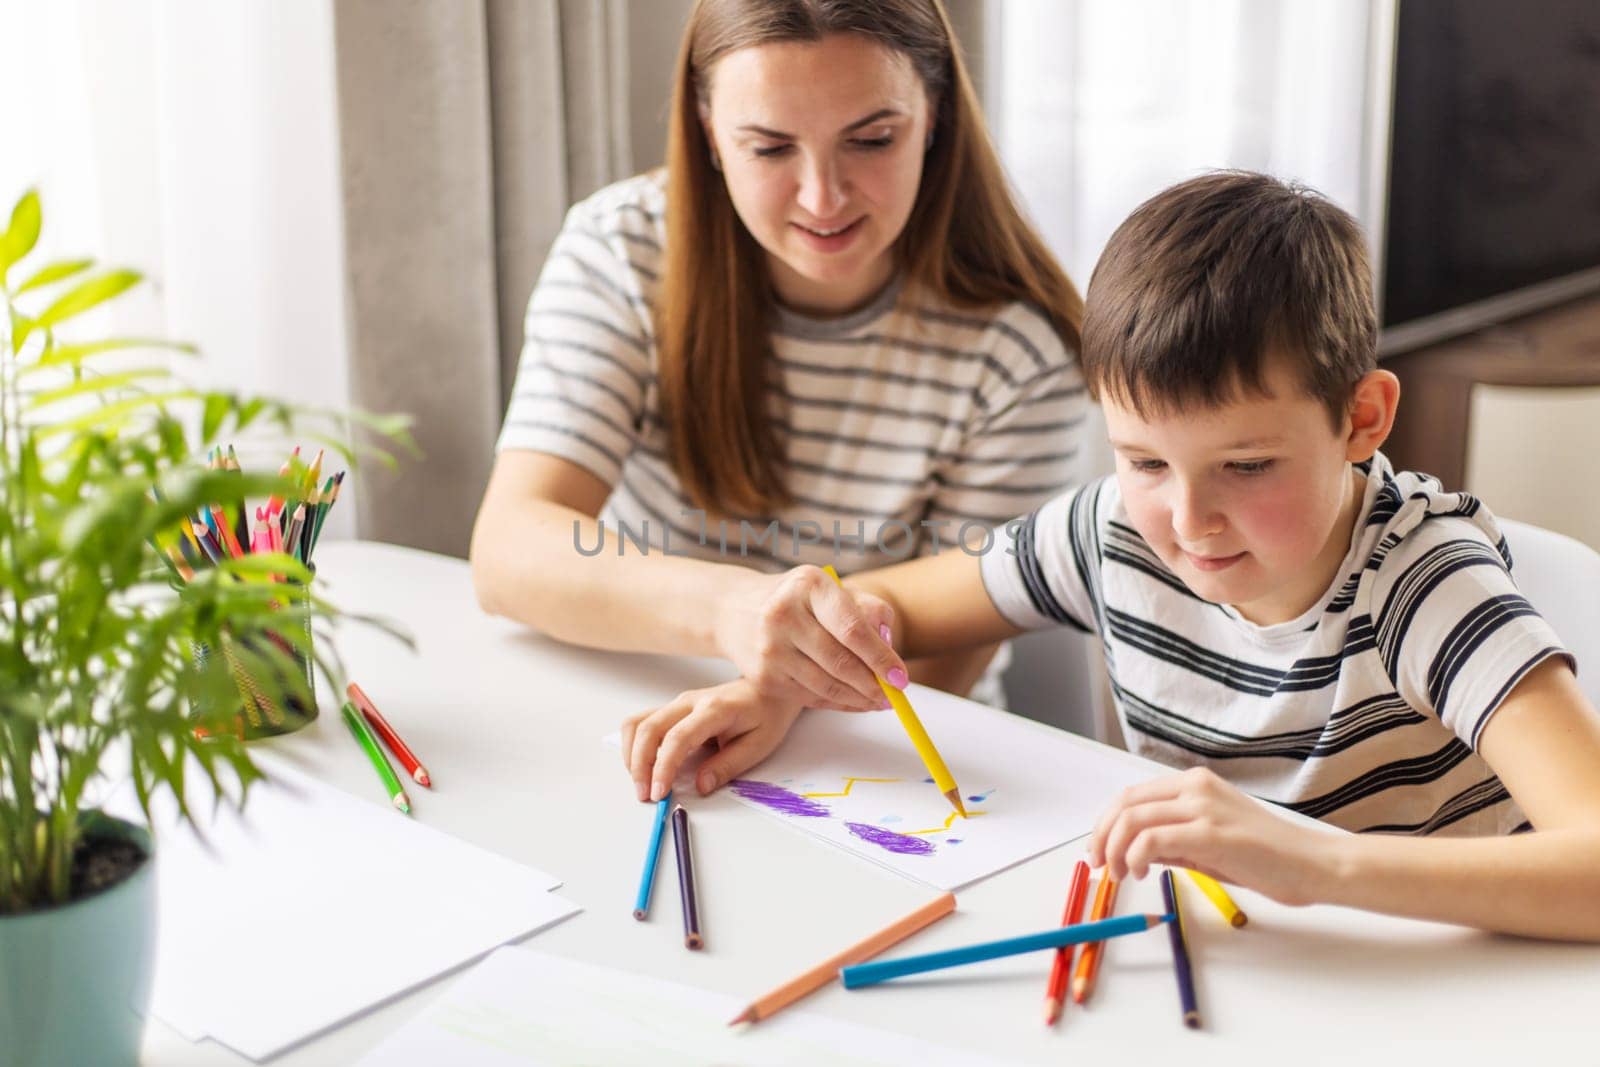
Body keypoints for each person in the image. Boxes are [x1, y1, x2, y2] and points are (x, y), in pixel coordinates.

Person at [626, 170, 1600, 940]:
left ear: (1360, 418)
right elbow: (883, 611)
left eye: (1246, 464)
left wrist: (1313, 863)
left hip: (1438, 988)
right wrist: (779, 680)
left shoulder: (1423, 584)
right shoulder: (1114, 533)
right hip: (1240, 964)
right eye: (1142, 459)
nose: (1188, 519)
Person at [472, 0, 1088, 789]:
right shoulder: (621, 251)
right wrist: (735, 609)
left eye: (872, 139)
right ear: (707, 133)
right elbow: (508, 551)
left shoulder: (1022, 343)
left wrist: (773, 692)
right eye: (768, 147)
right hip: (636, 722)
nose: (822, 197)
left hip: (879, 756)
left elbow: (948, 647)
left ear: (934, 115)